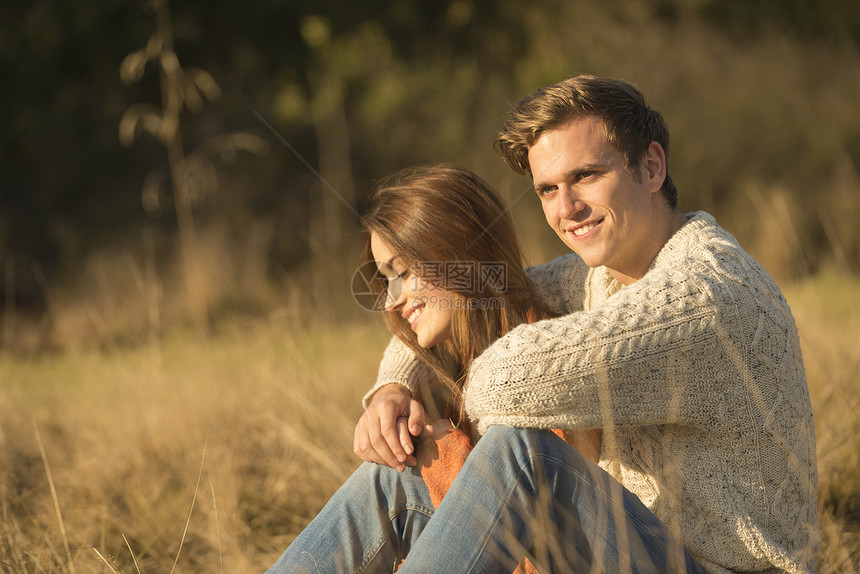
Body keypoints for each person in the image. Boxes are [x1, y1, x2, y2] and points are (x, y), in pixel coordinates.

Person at [354, 75, 818, 572]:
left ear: (651, 166)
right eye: (548, 189)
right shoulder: (607, 272)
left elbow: (500, 381)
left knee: (521, 452)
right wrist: (393, 387)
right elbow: (477, 295)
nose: (566, 208)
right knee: (394, 477)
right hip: (638, 548)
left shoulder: (705, 291)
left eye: (586, 176)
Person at [266, 163, 601, 573]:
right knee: (389, 475)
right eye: (386, 279)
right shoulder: (452, 363)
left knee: (399, 478)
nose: (391, 300)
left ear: (458, 248)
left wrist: (443, 458)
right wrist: (393, 388)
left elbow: (535, 556)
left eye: (402, 273)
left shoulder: (546, 364)